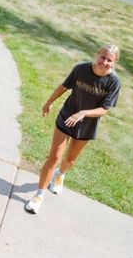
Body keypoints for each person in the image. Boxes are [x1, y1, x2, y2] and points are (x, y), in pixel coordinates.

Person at [25, 44, 122, 214]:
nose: (104, 62)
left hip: (87, 124)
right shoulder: (81, 69)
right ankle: (38, 196)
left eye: (109, 60)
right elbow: (64, 86)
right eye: (102, 57)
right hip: (67, 116)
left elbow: (105, 109)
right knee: (54, 157)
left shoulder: (113, 82)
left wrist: (84, 113)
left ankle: (60, 175)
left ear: (114, 63)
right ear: (97, 55)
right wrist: (49, 102)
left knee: (70, 159)